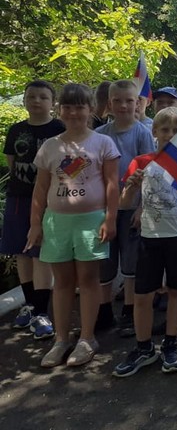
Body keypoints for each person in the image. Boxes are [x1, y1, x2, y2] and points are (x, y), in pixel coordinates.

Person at [27, 83, 120, 367]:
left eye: (80, 107)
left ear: (90, 109)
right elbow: (40, 188)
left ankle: (87, 338)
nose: (73, 112)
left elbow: (112, 184)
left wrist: (110, 218)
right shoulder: (50, 146)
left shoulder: (103, 143)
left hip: (91, 221)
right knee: (63, 282)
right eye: (67, 107)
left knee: (89, 280)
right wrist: (35, 224)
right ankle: (61, 340)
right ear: (60, 110)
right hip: (57, 222)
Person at [111, 107, 177, 377]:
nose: (170, 134)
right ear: (154, 131)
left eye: (176, 130)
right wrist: (131, 186)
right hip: (149, 237)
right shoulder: (141, 162)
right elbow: (124, 204)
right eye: (165, 129)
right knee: (142, 295)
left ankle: (171, 344)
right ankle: (143, 347)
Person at [3, 80, 64, 340]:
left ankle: (41, 311)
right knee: (22, 251)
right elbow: (12, 162)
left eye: (43, 97)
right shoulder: (16, 130)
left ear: (53, 103)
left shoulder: (59, 129)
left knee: (41, 253)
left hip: (49, 200)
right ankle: (29, 304)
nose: (36, 101)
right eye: (31, 96)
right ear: (25, 100)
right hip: (18, 198)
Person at [96, 80, 155, 337]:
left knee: (131, 263)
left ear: (138, 103)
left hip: (132, 208)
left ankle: (130, 311)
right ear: (109, 104)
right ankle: (103, 310)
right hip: (105, 208)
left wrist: (142, 208)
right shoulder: (100, 134)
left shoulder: (142, 133)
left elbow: (150, 172)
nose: (123, 106)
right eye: (117, 101)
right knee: (105, 261)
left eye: (129, 101)